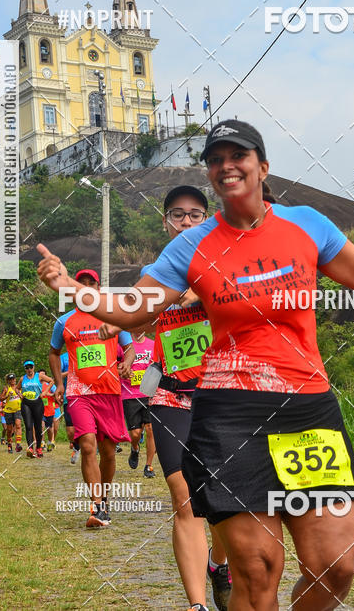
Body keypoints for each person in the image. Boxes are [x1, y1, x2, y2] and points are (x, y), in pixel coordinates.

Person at [37, 120, 354, 610]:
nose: (226, 165)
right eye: (216, 159)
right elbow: (136, 307)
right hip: (229, 413)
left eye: (237, 155)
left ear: (262, 167)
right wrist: (74, 290)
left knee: (336, 562)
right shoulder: (191, 244)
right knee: (259, 571)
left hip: (307, 406)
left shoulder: (306, 223)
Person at [146, 185, 231, 611]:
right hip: (169, 396)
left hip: (221, 395)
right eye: (177, 215)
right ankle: (196, 605)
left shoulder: (223, 265)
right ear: (166, 222)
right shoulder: (153, 274)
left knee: (221, 500)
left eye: (195, 215)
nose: (185, 222)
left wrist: (205, 290)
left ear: (207, 219)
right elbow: (138, 317)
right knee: (186, 499)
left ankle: (220, 563)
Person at [49, 268, 134, 528]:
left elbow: (128, 347)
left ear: (98, 289)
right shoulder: (64, 321)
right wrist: (59, 383)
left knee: (108, 451)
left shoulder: (112, 316)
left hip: (108, 392)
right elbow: (54, 353)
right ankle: (97, 506)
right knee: (87, 445)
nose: (86, 288)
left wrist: (127, 363)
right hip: (78, 393)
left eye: (91, 284)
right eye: (80, 284)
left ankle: (105, 500)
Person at [117, 332, 157, 477]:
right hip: (129, 394)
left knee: (151, 429)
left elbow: (161, 365)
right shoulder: (123, 345)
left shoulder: (153, 344)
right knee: (135, 433)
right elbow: (113, 365)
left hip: (149, 392)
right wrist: (122, 370)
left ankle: (149, 466)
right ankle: (135, 448)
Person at [18, 361, 50, 458]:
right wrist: (20, 395)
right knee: (28, 426)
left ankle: (39, 448)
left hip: (37, 403)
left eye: (30, 367)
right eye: (27, 368)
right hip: (26, 403)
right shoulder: (22, 378)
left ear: (34, 367)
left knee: (38, 427)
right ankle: (30, 448)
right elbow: (16, 388)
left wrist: (45, 392)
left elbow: (51, 381)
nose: (29, 370)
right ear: (25, 369)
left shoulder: (39, 376)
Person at [60, 350, 81, 464]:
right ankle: (76, 446)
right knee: (70, 431)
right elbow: (58, 375)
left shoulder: (84, 351)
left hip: (84, 395)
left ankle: (85, 448)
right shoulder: (63, 357)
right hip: (69, 396)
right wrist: (71, 372)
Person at [1, 372, 23, 453]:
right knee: (9, 430)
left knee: (18, 425)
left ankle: (18, 444)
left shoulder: (19, 387)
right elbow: (0, 398)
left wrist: (21, 395)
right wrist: (7, 396)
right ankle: (9, 445)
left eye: (13, 379)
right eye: (10, 379)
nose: (12, 380)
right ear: (8, 381)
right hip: (8, 410)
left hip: (18, 409)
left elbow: (23, 396)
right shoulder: (6, 388)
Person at [40, 371, 57, 450]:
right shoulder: (37, 385)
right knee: (41, 425)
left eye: (43, 374)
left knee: (49, 428)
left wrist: (48, 394)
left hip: (49, 409)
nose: (42, 376)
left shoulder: (50, 385)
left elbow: (56, 394)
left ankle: (50, 442)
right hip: (40, 409)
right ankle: (42, 442)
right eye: (40, 374)